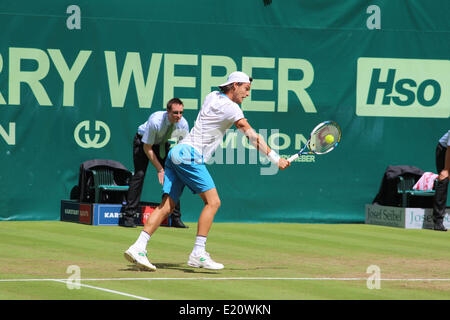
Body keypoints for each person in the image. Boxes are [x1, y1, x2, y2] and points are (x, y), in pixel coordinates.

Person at [123, 71, 290, 271]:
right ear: (235, 85)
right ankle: (198, 253)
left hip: (176, 152)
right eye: (246, 89)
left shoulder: (211, 96)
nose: (247, 94)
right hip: (189, 155)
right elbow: (250, 134)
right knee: (213, 202)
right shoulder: (232, 108)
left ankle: (138, 246)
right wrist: (275, 158)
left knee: (166, 206)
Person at [122, 98, 190, 228]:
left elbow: (182, 148)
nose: (179, 116)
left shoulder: (183, 124)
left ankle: (175, 218)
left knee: (173, 177)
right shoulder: (155, 121)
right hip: (143, 142)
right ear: (168, 112)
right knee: (140, 175)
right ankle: (129, 217)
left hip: (162, 144)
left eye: (181, 112)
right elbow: (147, 148)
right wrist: (160, 169)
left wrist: (175, 166)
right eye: (175, 112)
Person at [432, 130, 450, 231]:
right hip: (444, 151)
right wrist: (446, 169)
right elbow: (449, 149)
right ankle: (438, 222)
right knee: (444, 179)